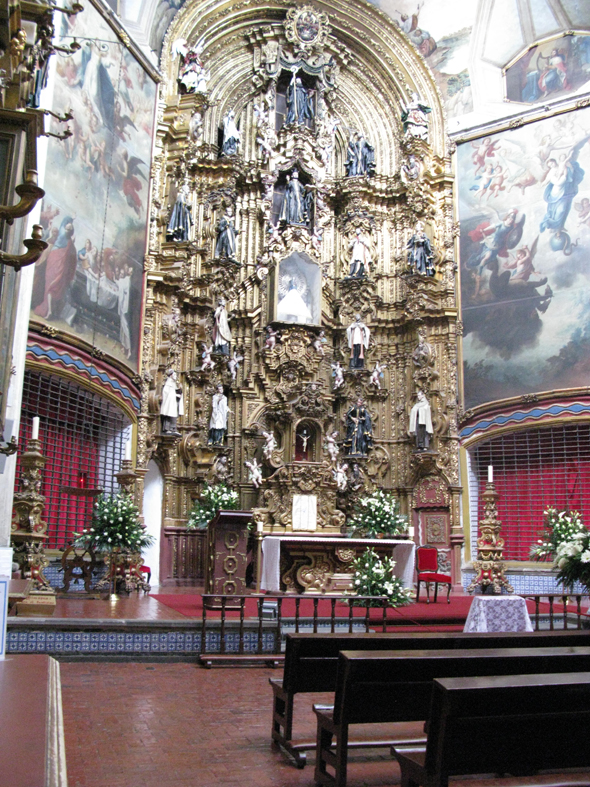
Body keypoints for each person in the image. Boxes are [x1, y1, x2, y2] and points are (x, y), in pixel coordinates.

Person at [160, 369, 184, 434]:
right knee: (169, 415)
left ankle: (173, 429)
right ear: (171, 375)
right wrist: (176, 395)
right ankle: (167, 429)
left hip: (173, 403)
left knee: (173, 415)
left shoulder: (173, 383)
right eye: (175, 375)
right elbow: (166, 392)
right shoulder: (168, 383)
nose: (176, 376)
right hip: (169, 403)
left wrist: (179, 390)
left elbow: (175, 391)